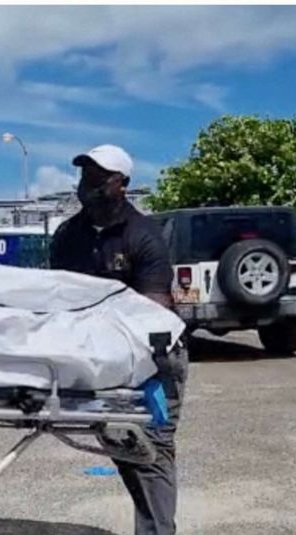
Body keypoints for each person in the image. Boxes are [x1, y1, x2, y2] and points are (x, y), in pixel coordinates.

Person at [49, 145, 187, 535]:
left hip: (155, 358)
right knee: (124, 447)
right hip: (100, 356)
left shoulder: (144, 236)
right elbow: (58, 300)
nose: (88, 186)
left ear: (121, 185)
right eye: (84, 177)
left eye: (98, 179)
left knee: (153, 446)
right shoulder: (67, 237)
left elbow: (154, 317)